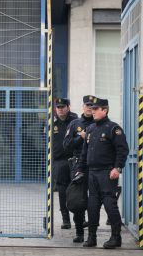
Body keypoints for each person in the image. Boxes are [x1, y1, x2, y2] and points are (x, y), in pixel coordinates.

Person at [75, 97, 129, 249]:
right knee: (92, 206)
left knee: (109, 205)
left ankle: (116, 238)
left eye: (95, 109)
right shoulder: (91, 129)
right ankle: (92, 237)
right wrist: (80, 169)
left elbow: (122, 150)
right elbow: (84, 153)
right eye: (91, 109)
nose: (92, 112)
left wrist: (117, 168)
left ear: (104, 110)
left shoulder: (113, 129)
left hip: (107, 173)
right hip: (92, 173)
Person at [63, 95, 95, 242]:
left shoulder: (101, 124)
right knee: (78, 199)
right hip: (78, 166)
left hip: (95, 166)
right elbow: (67, 145)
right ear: (83, 107)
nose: (89, 108)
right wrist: (80, 137)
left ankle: (92, 234)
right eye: (87, 105)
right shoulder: (75, 124)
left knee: (95, 199)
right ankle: (80, 233)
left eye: (92, 106)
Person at [52, 98, 78, 229]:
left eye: (63, 107)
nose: (60, 109)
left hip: (74, 160)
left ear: (68, 107)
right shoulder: (52, 122)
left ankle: (80, 219)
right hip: (59, 161)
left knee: (77, 190)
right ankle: (65, 219)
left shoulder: (75, 121)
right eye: (58, 107)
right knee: (62, 191)